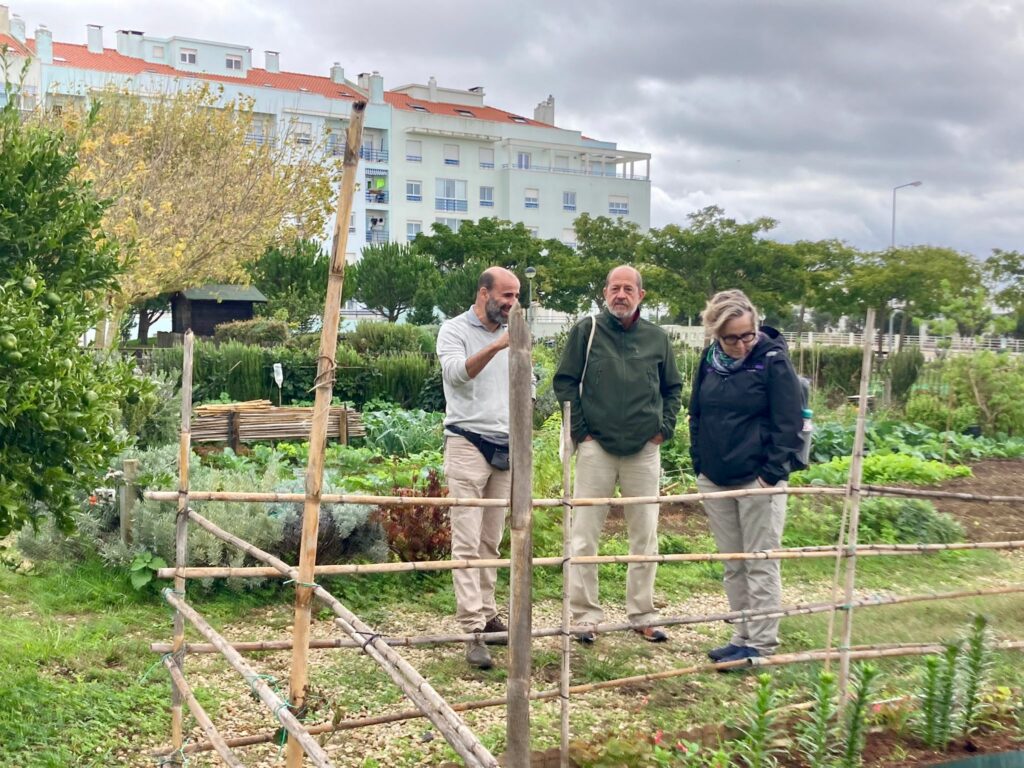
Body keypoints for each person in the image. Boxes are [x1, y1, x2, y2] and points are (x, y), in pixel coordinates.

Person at [553, 265, 683, 644]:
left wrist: (665, 427)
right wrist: (582, 432)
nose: (621, 295)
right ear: (604, 294)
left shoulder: (657, 338)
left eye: (629, 289)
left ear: (641, 295)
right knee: (584, 534)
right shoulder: (587, 331)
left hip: (644, 448)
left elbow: (673, 388)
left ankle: (642, 613)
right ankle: (585, 616)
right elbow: (564, 381)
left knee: (645, 533)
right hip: (597, 448)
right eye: (614, 288)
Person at [689, 289, 804, 666]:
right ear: (715, 335)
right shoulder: (708, 360)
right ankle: (741, 634)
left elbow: (790, 424)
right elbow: (697, 413)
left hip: (757, 480)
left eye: (747, 335)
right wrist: (699, 462)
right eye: (732, 338)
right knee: (734, 562)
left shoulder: (772, 361)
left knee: (760, 561)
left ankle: (762, 643)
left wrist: (770, 476)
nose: (741, 344)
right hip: (716, 477)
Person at [436, 266, 521, 670]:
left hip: (507, 445)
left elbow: (527, 380)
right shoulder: (453, 330)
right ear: (483, 293)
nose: (511, 303)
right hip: (467, 441)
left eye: (516, 297)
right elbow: (456, 374)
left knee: (492, 539)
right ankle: (471, 631)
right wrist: (497, 346)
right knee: (466, 541)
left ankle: (488, 614)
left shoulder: (515, 331)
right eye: (505, 296)